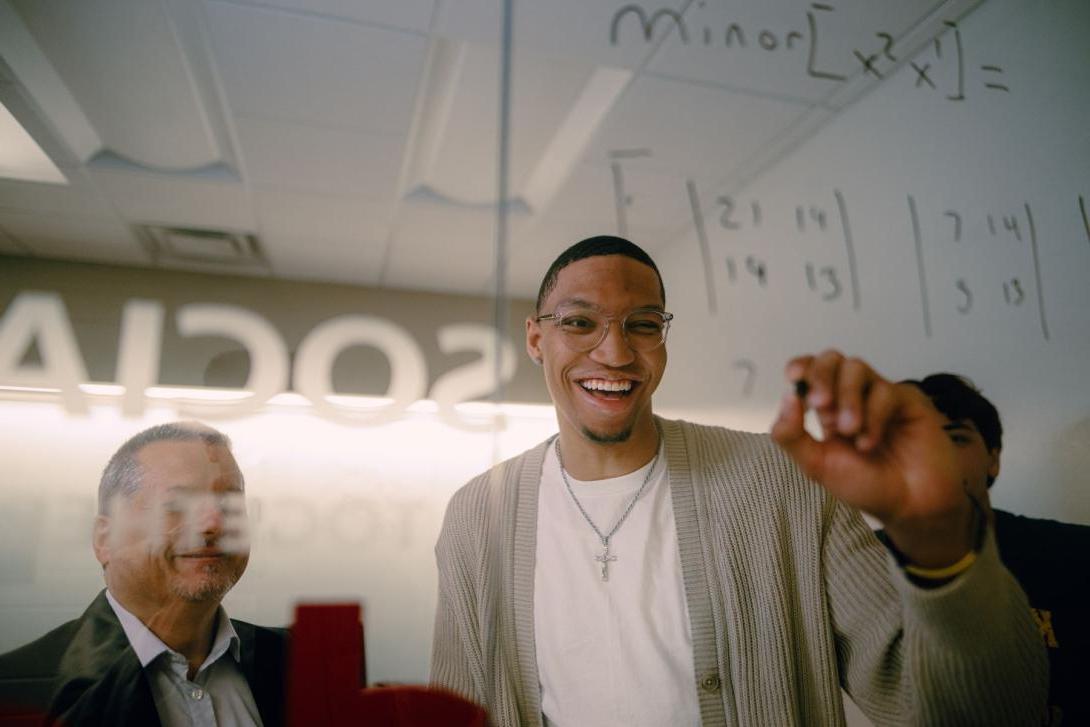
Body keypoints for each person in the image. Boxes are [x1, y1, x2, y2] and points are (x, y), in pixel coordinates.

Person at [429, 235, 1047, 726]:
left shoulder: (781, 484)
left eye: (643, 324)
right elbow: (453, 715)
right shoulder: (477, 516)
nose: (615, 353)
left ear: (663, 337)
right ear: (537, 339)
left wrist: (940, 538)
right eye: (580, 323)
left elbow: (982, 710)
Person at [0, 422, 286, 727]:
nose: (213, 523)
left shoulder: (298, 663)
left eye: (229, 504)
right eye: (178, 504)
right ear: (104, 539)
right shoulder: (19, 686)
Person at [905, 373, 1090, 726]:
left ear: (993, 459)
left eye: (956, 438)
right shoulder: (862, 562)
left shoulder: (1075, 555)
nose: (936, 455)